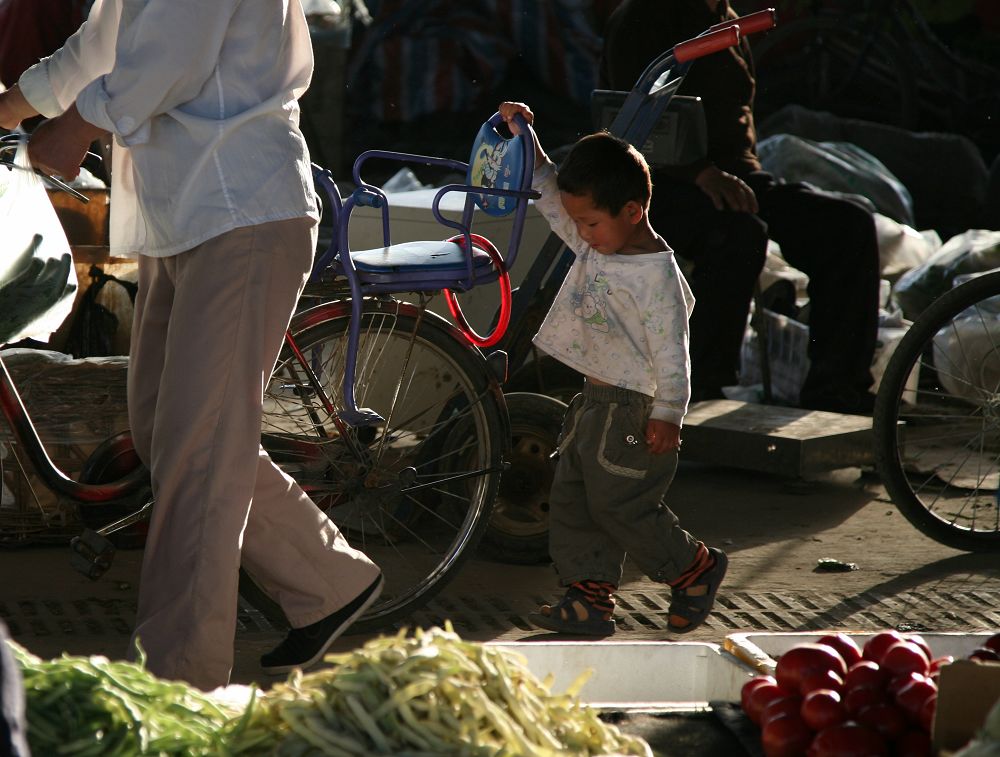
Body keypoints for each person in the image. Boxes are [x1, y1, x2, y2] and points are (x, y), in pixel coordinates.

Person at [0, 0, 382, 691]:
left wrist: (74, 126)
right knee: (165, 430)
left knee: (197, 450)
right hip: (183, 212)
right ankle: (328, 578)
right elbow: (98, 48)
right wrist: (10, 107)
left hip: (241, 205)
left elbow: (168, 59)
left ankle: (179, 680)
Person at [498, 100, 728, 636]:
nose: (582, 231)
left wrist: (669, 413)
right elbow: (553, 198)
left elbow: (675, 353)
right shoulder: (599, 240)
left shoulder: (657, 279)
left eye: (592, 222)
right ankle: (589, 600)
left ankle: (694, 567)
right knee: (574, 503)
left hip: (633, 409)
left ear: (632, 210)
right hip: (593, 403)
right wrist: (525, 138)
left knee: (621, 505)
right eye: (580, 222)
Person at [600, 0, 882, 414]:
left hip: (736, 178)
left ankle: (836, 392)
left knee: (848, 227)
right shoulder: (643, 16)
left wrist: (729, 176)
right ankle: (702, 391)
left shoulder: (728, 19)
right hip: (655, 184)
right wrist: (700, 172)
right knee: (739, 233)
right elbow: (626, 121)